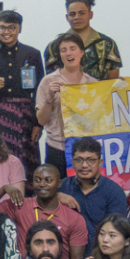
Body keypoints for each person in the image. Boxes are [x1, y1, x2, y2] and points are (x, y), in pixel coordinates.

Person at [0, 9, 45, 164]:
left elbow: (40, 91)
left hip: (24, 117)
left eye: (11, 28)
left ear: (19, 29)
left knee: (24, 161)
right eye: (2, 28)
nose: (6, 32)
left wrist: (37, 123)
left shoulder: (32, 54)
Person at [5, 159, 87, 259]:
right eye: (37, 180)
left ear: (59, 183)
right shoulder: (20, 206)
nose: (42, 184)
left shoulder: (74, 218)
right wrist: (4, 188)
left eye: (48, 180)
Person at [35, 32, 96, 168]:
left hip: (84, 149)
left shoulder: (92, 83)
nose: (69, 53)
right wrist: (50, 97)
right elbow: (41, 120)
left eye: (72, 48)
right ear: (60, 55)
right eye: (64, 50)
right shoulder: (48, 81)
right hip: (57, 147)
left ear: (81, 52)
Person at [60, 138, 128, 245]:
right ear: (72, 162)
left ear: (100, 162)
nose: (84, 165)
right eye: (79, 160)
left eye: (90, 160)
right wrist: (55, 196)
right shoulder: (62, 186)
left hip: (101, 253)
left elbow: (117, 231)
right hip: (66, 252)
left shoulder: (114, 192)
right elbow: (35, 204)